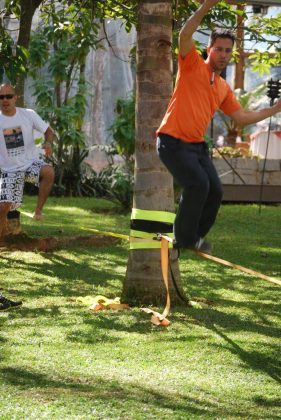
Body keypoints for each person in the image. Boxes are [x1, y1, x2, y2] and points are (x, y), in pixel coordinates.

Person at [156, 0, 281, 254]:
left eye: (227, 51)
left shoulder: (222, 88)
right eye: (219, 49)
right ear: (209, 49)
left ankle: (195, 238)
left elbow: (242, 118)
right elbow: (184, 34)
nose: (223, 54)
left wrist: (275, 109)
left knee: (215, 191)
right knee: (198, 185)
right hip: (172, 142)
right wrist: (206, 6)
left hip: (196, 147)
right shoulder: (191, 65)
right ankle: (185, 239)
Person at [0, 83, 55, 239]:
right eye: (1, 97)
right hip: (9, 171)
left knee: (48, 172)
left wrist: (49, 143)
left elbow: (49, 132)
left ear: (15, 98)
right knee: (3, 207)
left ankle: (38, 211)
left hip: (30, 165)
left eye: (9, 96)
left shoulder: (28, 114)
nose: (5, 99)